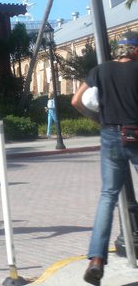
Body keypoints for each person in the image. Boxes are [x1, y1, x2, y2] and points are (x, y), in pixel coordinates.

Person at [71, 31, 138, 286]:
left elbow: (76, 100)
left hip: (110, 134)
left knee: (108, 196)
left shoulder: (100, 70)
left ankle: (96, 259)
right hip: (136, 133)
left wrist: (98, 120)